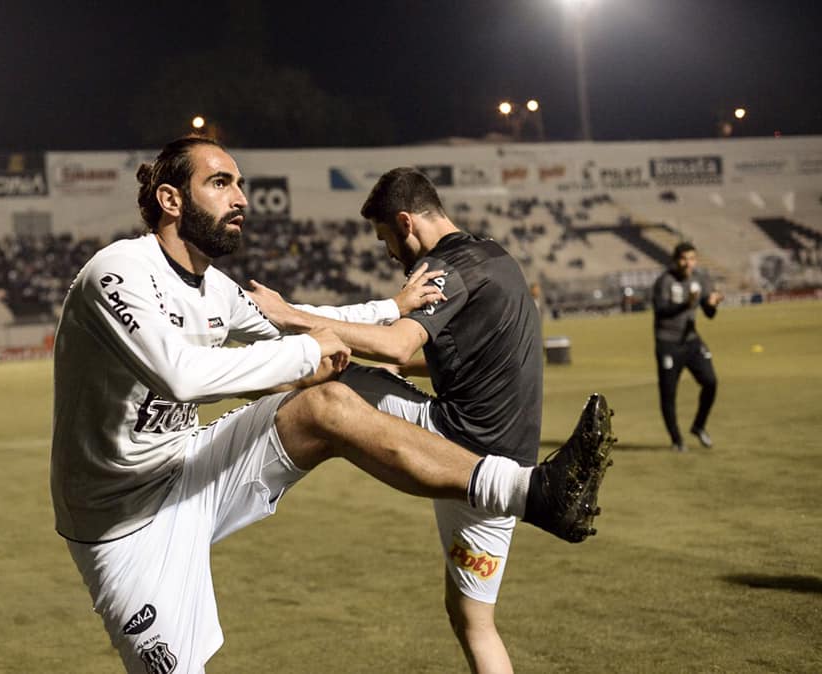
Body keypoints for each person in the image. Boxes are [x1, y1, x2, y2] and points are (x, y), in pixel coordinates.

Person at [50, 136, 614, 673]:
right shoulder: (118, 272)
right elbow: (180, 376)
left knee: (326, 402)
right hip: (121, 522)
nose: (241, 198)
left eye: (240, 184)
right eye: (220, 183)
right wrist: (307, 352)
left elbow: (300, 321)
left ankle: (532, 492)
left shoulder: (216, 288)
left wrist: (386, 309)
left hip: (189, 470)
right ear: (171, 200)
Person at [247, 167, 613, 674]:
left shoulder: (446, 266)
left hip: (455, 443)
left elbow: (399, 344)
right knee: (472, 621)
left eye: (385, 239)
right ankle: (525, 490)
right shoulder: (494, 255)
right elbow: (447, 358)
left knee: (327, 384)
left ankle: (221, 398)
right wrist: (391, 365)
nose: (388, 253)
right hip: (508, 460)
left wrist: (292, 315)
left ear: (406, 222)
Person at [651, 241, 723, 452]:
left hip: (691, 341)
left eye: (691, 258)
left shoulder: (700, 279)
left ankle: (698, 426)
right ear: (675, 261)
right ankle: (677, 440)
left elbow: (709, 314)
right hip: (668, 344)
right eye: (683, 259)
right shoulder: (665, 281)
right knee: (668, 393)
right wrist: (686, 304)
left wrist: (712, 304)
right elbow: (661, 310)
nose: (687, 263)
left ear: (695, 260)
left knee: (710, 382)